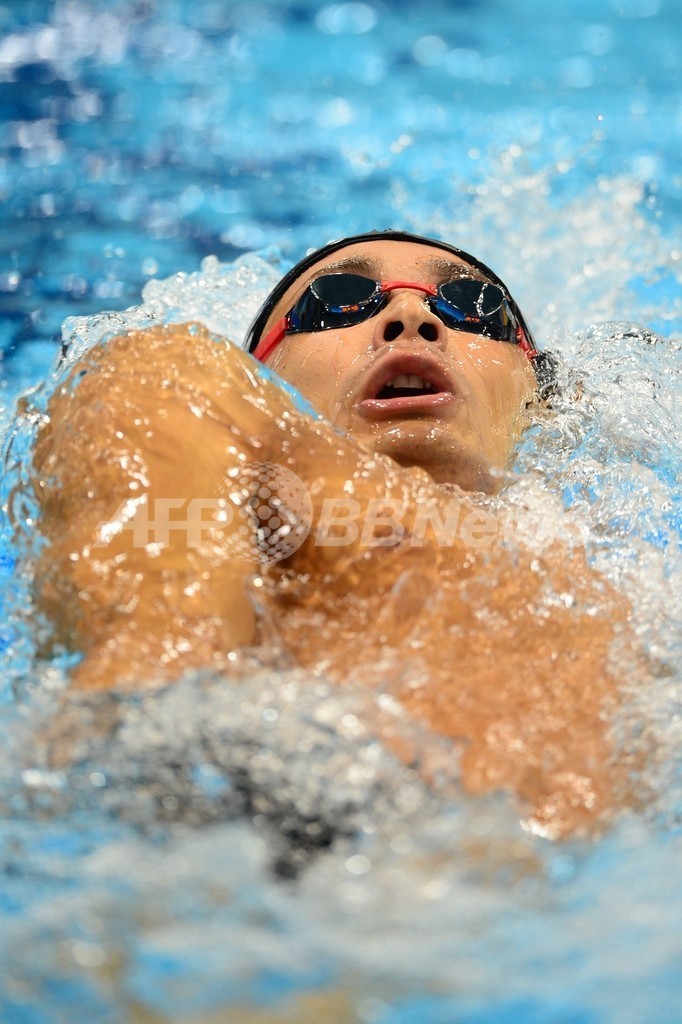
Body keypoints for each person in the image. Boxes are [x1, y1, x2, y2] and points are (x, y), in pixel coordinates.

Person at [29, 230, 636, 838]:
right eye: (337, 298)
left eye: (474, 306)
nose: (412, 315)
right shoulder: (177, 390)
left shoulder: (628, 588)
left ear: (541, 399)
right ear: (258, 379)